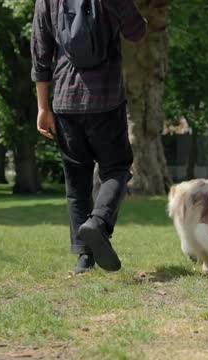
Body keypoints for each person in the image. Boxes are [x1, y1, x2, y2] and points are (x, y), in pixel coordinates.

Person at [31, 0, 147, 274]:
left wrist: (43, 107)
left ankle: (84, 258)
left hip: (64, 101)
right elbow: (137, 31)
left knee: (77, 182)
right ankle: (97, 222)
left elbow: (40, 52)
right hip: (106, 98)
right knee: (116, 168)